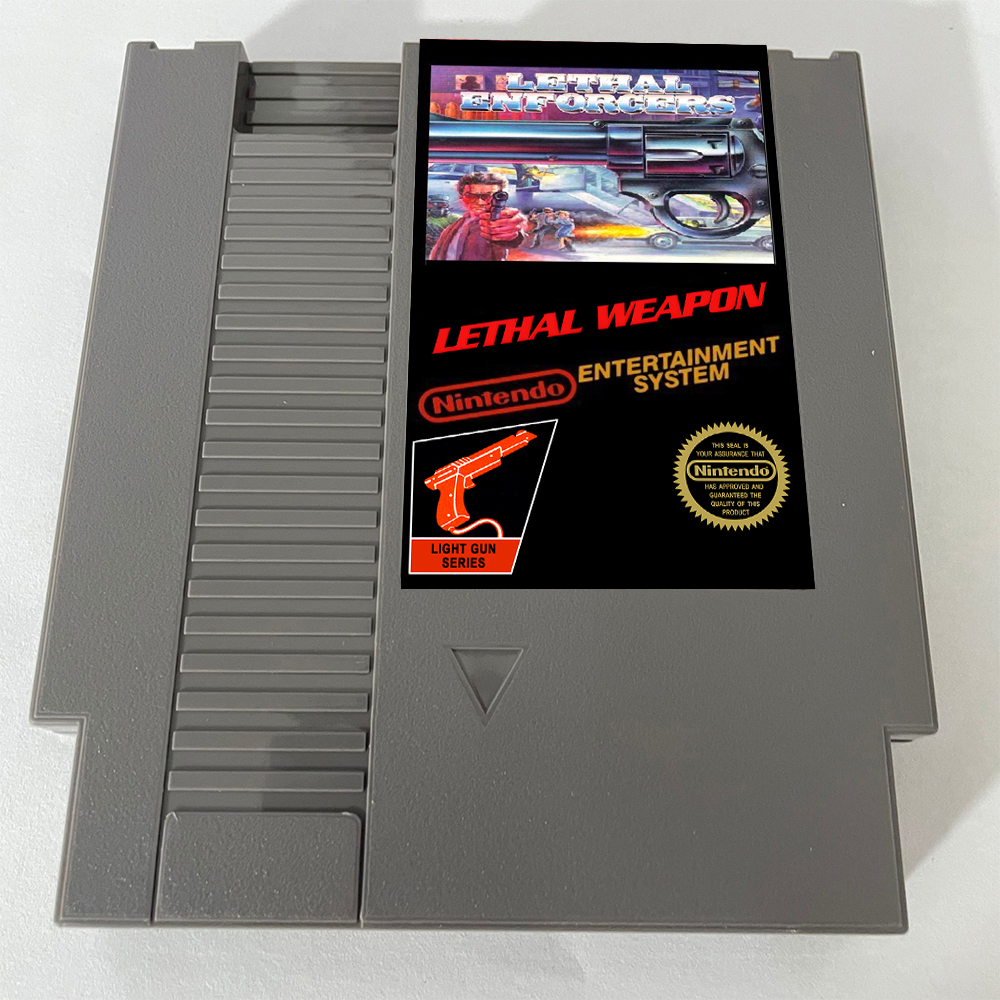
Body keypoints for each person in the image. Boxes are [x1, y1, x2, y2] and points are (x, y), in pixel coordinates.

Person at [428, 172, 526, 261]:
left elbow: (514, 234)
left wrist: (511, 230)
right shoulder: (456, 225)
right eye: (470, 196)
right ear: (461, 197)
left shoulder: (498, 220)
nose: (480, 202)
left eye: (488, 196)